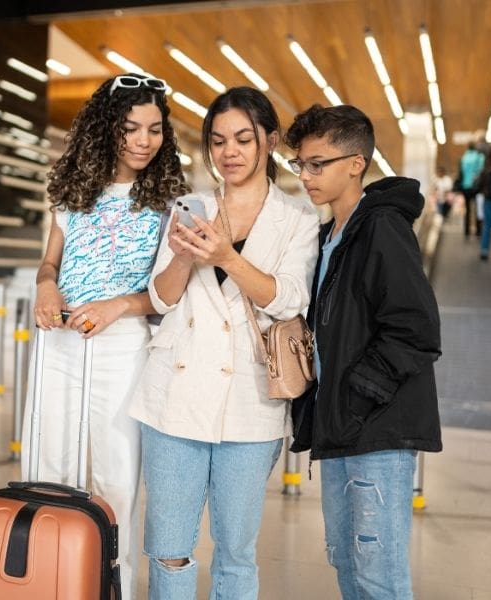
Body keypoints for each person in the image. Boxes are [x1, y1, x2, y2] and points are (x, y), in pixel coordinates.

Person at [130, 86, 319, 599]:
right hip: (174, 398)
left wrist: (226, 258)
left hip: (251, 403)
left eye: (242, 138)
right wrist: (186, 256)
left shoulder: (298, 219)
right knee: (168, 546)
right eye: (217, 141)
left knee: (236, 552)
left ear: (270, 141)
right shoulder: (190, 207)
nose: (228, 152)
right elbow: (160, 299)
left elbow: (290, 300)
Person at [24, 72, 189, 600]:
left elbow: (166, 292)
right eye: (131, 128)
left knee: (117, 477)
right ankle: (48, 584)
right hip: (58, 341)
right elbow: (50, 262)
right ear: (105, 128)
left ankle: (110, 589)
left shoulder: (169, 200)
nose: (144, 140)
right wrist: (46, 288)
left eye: (155, 129)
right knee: (48, 468)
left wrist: (120, 305)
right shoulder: (71, 190)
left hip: (124, 346)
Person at [284, 104, 442, 600]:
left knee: (379, 574)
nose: (306, 175)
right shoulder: (331, 234)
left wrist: (358, 394)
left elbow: (417, 328)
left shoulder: (381, 228)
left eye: (317, 164)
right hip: (341, 428)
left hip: (376, 430)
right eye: (300, 164)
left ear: (356, 163)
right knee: (348, 562)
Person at [458, 142, 485, 237]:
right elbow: (481, 171)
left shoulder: (464, 157)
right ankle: (478, 231)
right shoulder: (479, 157)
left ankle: (466, 231)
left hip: (466, 186)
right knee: (478, 209)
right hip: (476, 187)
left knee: (468, 209)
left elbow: (461, 173)